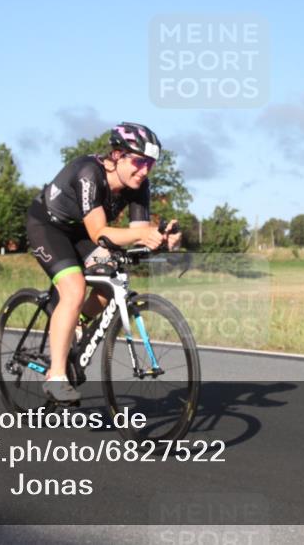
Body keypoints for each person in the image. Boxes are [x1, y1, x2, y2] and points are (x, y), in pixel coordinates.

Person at [26, 122, 181, 401]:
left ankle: (78, 320)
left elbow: (136, 236)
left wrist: (159, 241)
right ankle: (56, 376)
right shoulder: (89, 173)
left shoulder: (139, 186)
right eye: (139, 161)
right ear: (118, 155)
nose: (144, 170)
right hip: (47, 226)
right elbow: (99, 233)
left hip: (81, 232)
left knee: (111, 279)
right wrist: (143, 234)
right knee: (73, 289)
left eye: (151, 164)